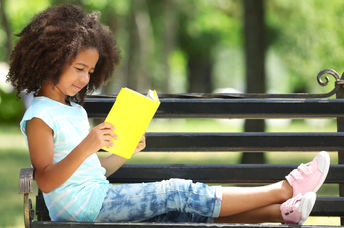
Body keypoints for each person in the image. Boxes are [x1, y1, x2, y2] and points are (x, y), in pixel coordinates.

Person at [7, 4, 331, 225]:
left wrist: (122, 153)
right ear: (51, 59)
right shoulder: (40, 116)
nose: (85, 79)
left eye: (90, 71)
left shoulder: (73, 110)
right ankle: (285, 189)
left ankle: (280, 212)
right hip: (81, 210)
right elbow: (47, 180)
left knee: (182, 213)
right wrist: (88, 145)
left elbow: (93, 173)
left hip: (96, 197)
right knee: (176, 191)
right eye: (79, 69)